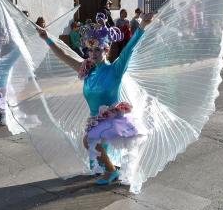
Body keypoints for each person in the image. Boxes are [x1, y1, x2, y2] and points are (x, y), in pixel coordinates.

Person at [39, 13, 154, 185]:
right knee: (96, 146)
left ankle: (111, 171)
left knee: (90, 141)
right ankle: (108, 167)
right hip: (94, 119)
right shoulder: (87, 69)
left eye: (97, 49)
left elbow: (129, 48)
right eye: (90, 49)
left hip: (112, 117)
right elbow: (63, 55)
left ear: (106, 49)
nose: (92, 53)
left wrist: (143, 25)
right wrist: (46, 38)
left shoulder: (115, 69)